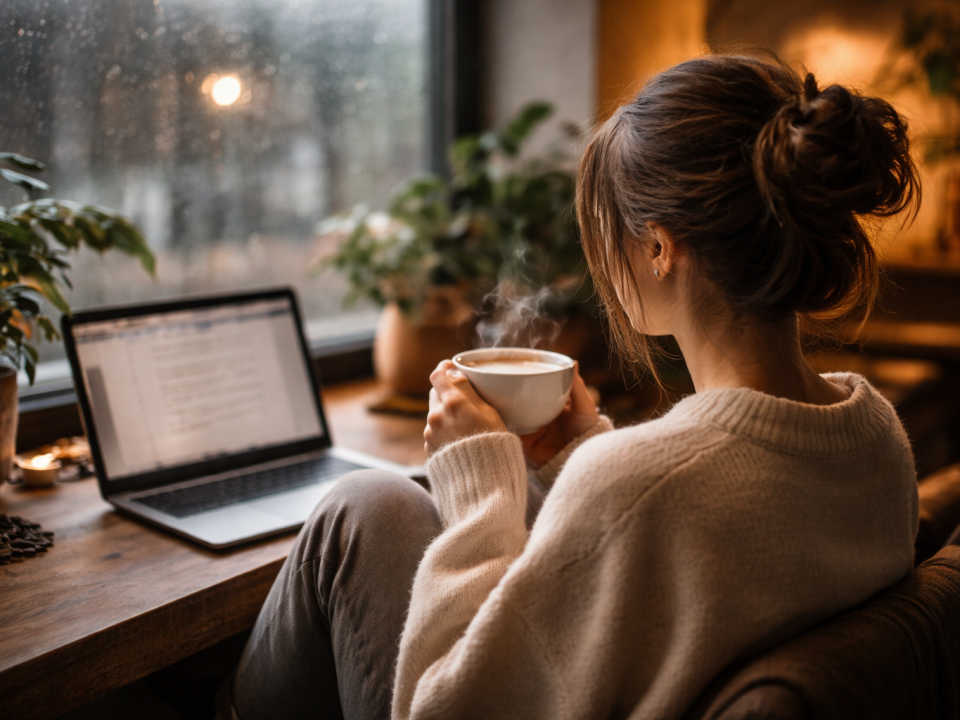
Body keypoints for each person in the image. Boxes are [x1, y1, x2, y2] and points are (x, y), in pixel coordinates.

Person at [222, 54, 921, 720]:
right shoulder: (875, 432)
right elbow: (682, 582)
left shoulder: (638, 489)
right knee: (382, 502)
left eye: (610, 229)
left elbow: (445, 708)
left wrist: (479, 486)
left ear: (658, 246)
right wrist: (582, 454)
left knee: (360, 502)